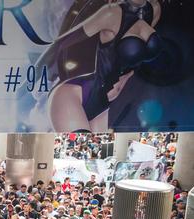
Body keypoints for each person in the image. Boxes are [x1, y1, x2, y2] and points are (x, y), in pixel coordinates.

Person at [40, 0, 163, 132]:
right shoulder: (111, 13)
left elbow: (137, 56)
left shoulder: (154, 9)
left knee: (99, 146)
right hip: (74, 96)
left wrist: (125, 79)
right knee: (81, 144)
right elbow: (61, 43)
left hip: (103, 104)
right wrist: (34, 74)